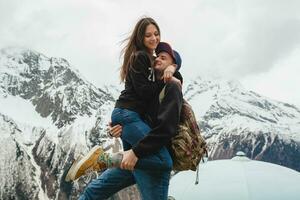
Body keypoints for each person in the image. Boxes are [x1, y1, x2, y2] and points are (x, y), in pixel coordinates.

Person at [65, 17, 182, 200]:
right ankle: (102, 160)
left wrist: (174, 68)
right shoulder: (143, 60)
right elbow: (144, 96)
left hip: (133, 123)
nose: (157, 58)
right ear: (140, 38)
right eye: (148, 35)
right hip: (135, 125)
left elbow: (172, 65)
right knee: (164, 162)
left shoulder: (171, 84)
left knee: (104, 185)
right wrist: (126, 132)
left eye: (156, 34)